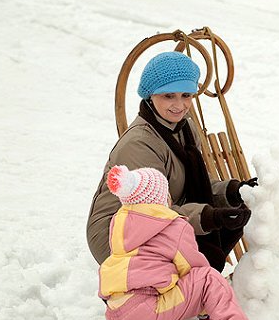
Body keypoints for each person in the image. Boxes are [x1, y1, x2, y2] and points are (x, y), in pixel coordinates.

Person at [87, 51, 256, 272]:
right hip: (121, 231)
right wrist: (208, 217)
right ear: (151, 95)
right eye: (169, 96)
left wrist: (234, 191)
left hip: (163, 216)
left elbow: (194, 185)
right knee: (204, 249)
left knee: (233, 219)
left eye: (186, 95)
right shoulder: (139, 143)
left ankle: (195, 285)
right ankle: (172, 296)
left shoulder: (184, 128)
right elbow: (149, 212)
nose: (179, 105)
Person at [99, 164, 269, 320]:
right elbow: (194, 269)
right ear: (159, 198)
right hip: (145, 314)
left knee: (146, 286)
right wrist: (209, 305)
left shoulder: (120, 226)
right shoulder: (171, 225)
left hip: (116, 317)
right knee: (208, 278)